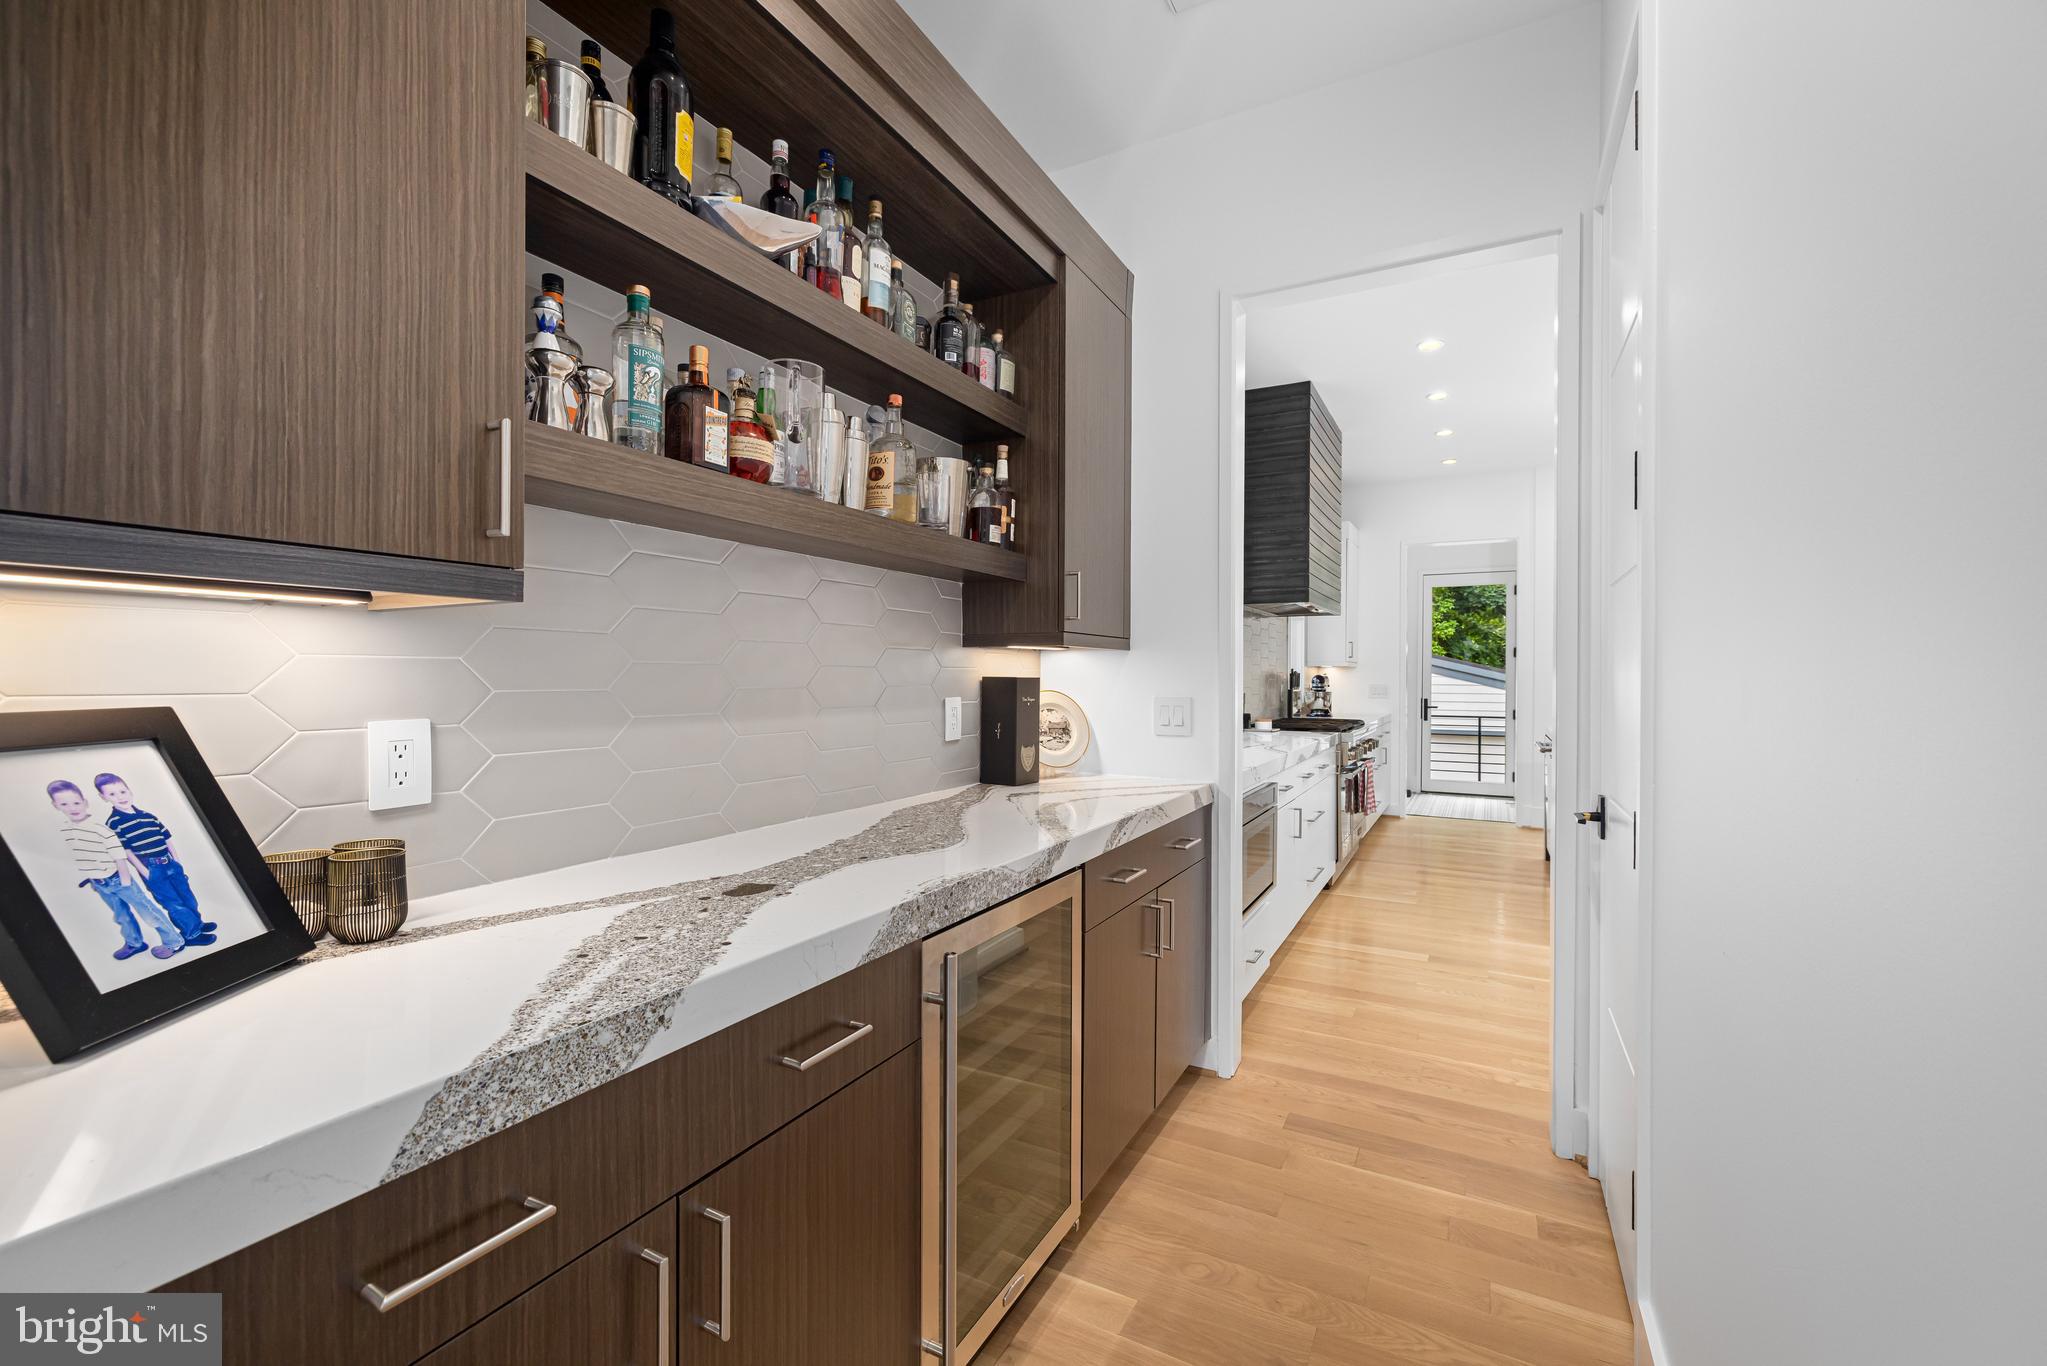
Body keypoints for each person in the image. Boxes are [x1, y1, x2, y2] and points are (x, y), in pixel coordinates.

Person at [46, 779, 183, 961]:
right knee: (121, 916)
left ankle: (174, 941)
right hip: (100, 883)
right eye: (64, 804)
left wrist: (125, 879)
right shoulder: (66, 830)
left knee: (148, 913)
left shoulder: (100, 829)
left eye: (76, 802)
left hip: (118, 879)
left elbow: (119, 855)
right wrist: (93, 879)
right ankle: (135, 943)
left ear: (85, 803)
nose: (72, 808)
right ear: (56, 806)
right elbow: (84, 856)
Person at [95, 773, 217, 948]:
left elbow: (166, 837)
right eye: (112, 794)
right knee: (173, 902)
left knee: (187, 896)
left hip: (170, 863)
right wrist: (144, 871)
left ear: (129, 791)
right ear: (103, 797)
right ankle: (191, 934)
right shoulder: (114, 822)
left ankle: (198, 924)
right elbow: (126, 850)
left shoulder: (148, 816)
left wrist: (176, 860)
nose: (120, 797)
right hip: (151, 867)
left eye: (122, 791)